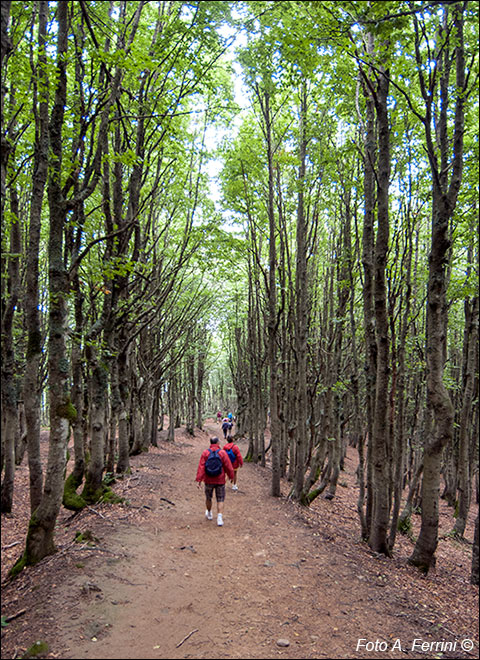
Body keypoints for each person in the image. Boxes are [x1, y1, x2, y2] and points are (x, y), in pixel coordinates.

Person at [196, 436, 234, 526]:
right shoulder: (222, 453)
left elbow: (201, 467)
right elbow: (228, 466)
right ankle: (219, 518)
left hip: (208, 480)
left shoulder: (205, 453)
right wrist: (231, 476)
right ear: (217, 443)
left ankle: (209, 513)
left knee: (208, 498)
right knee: (220, 499)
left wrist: (199, 480)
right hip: (220, 480)